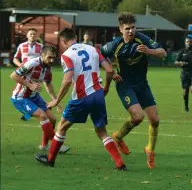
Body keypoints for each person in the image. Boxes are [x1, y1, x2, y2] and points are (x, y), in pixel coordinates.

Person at [35, 28, 127, 171]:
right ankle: (120, 163)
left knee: (62, 126)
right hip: (98, 94)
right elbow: (109, 70)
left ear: (63, 41)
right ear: (75, 37)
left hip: (81, 96)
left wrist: (57, 101)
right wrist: (107, 87)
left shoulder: (67, 55)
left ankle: (50, 160)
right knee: (102, 131)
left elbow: (66, 80)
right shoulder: (93, 49)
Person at [100, 12, 167, 169]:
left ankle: (150, 150)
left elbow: (163, 53)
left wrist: (149, 51)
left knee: (155, 120)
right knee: (137, 117)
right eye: (128, 28)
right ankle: (118, 137)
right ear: (121, 29)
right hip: (125, 85)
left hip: (142, 84)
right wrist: (112, 72)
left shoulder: (142, 39)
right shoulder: (114, 45)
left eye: (133, 28)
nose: (131, 31)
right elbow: (100, 55)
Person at [10, 46, 70, 154]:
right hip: (20, 98)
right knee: (42, 115)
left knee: (52, 119)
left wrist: (56, 101)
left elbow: (48, 85)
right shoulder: (31, 63)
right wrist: (30, 85)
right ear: (42, 55)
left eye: (53, 58)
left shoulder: (48, 68)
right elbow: (13, 75)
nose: (51, 60)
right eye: (49, 57)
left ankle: (44, 145)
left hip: (34, 97)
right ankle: (57, 145)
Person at [13, 28, 43, 121]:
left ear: (36, 36)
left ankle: (29, 113)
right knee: (22, 92)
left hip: (35, 74)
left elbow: (44, 59)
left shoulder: (41, 47)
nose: (32, 36)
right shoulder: (22, 46)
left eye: (34, 34)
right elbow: (15, 59)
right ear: (27, 35)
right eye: (31, 34)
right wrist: (20, 65)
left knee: (33, 92)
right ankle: (28, 112)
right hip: (23, 73)